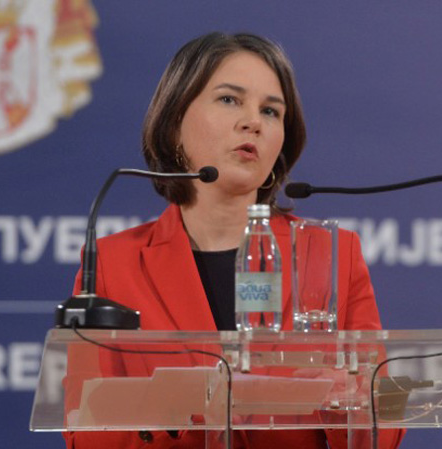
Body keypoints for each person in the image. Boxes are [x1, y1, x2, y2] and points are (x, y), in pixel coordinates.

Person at [64, 32, 405, 449]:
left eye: (271, 111)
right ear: (174, 122)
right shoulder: (114, 264)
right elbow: (85, 433)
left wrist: (347, 401)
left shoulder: (332, 253)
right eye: (229, 99)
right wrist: (187, 407)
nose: (253, 122)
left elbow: (385, 430)